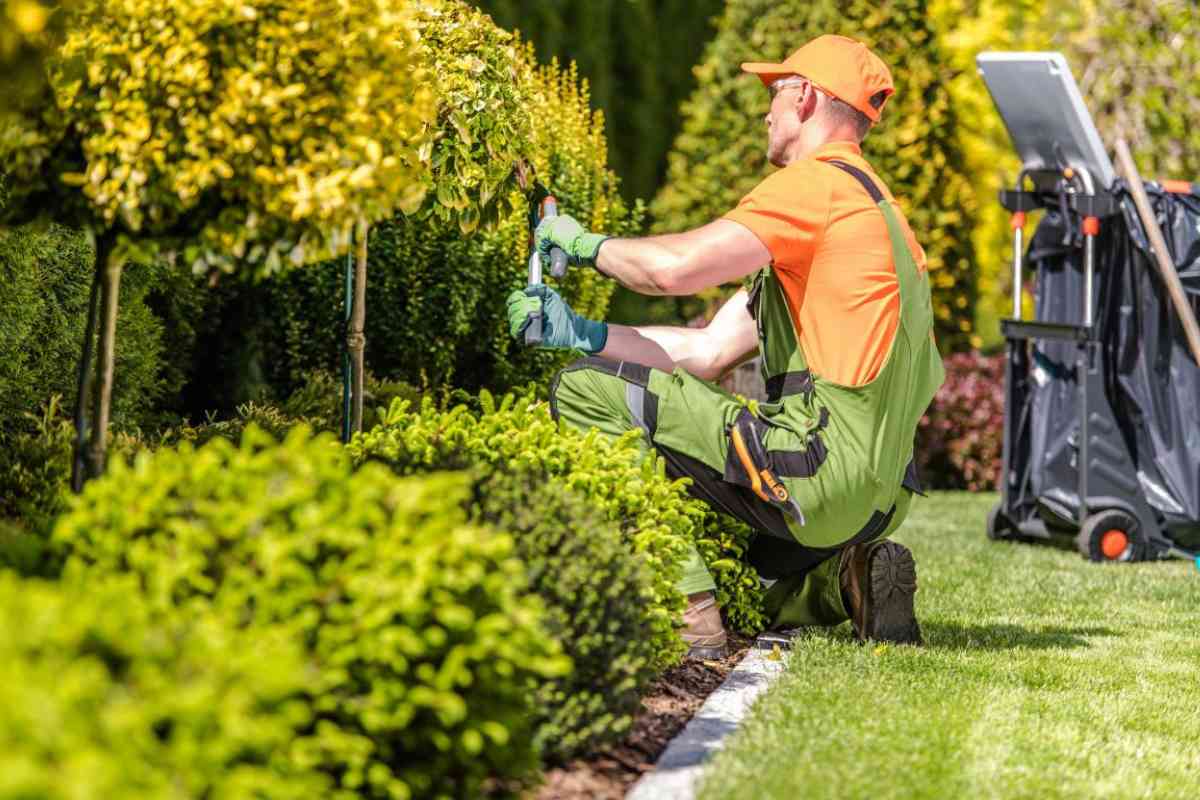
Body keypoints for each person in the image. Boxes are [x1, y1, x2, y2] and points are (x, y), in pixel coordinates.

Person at [506, 34, 945, 658]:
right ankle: (841, 584)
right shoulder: (880, 217)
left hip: (817, 472)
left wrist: (583, 244)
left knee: (582, 389)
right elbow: (709, 350)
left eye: (775, 92)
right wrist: (582, 333)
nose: (765, 110)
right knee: (736, 561)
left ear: (807, 98)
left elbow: (672, 271)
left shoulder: (815, 187)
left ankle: (684, 613)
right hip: (878, 497)